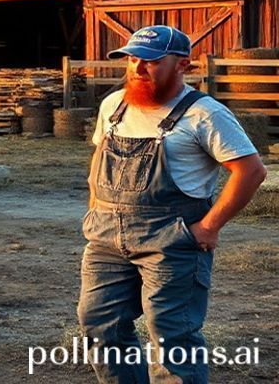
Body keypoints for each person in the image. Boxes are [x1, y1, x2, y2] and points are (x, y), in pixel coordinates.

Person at [78, 25, 267, 383]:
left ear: (183, 64)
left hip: (171, 242)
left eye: (150, 61)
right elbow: (97, 166)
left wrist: (209, 226)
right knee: (100, 326)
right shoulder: (112, 106)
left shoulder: (204, 114)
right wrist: (95, 211)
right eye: (132, 59)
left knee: (172, 337)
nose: (137, 68)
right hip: (105, 240)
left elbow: (251, 171)